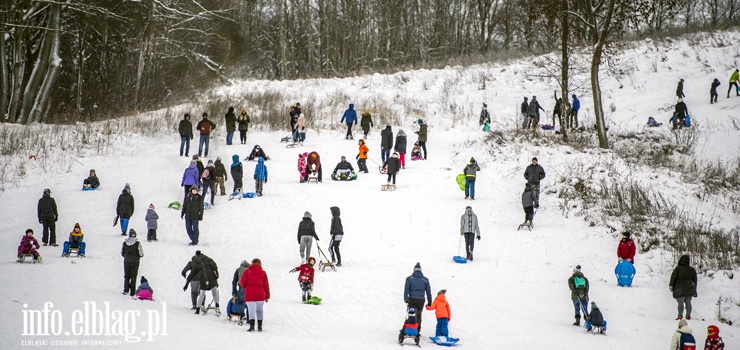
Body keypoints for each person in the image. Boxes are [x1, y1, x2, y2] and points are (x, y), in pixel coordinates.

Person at [186, 250, 220, 316]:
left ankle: (198, 309)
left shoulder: (197, 263)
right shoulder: (208, 259)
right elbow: (214, 265)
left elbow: (192, 273)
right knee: (214, 292)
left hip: (203, 279)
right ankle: (217, 306)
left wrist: (187, 282)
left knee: (202, 293)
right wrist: (216, 273)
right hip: (212, 277)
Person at [240, 258, 270, 332]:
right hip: (260, 294)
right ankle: (259, 327)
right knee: (259, 310)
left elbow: (242, 282)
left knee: (251, 310)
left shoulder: (247, 272)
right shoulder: (263, 273)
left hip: (250, 294)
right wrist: (267, 296)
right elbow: (266, 285)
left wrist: (246, 288)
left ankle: (252, 327)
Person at [404, 263, 432, 334]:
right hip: (421, 300)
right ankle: (417, 330)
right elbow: (428, 291)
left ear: (414, 270)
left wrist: (406, 298)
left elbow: (406, 289)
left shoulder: (409, 279)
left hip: (412, 299)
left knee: (412, 313)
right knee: (419, 314)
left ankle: (410, 328)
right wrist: (429, 302)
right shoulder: (425, 280)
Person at [670, 254, 698, 320]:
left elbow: (673, 277)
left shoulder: (678, 268)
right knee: (688, 302)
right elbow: (695, 280)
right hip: (690, 287)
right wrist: (695, 290)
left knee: (680, 302)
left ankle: (680, 316)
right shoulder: (692, 269)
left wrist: (671, 285)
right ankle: (688, 316)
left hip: (679, 287)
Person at [121, 229, 144, 297]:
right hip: (135, 261)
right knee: (133, 276)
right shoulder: (137, 243)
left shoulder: (125, 243)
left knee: (127, 276)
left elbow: (122, 253)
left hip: (127, 261)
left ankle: (126, 290)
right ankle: (132, 292)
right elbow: (141, 254)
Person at [231, 260, 250, 325]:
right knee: (249, 304)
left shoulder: (239, 269)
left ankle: (242, 315)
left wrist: (234, 292)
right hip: (250, 287)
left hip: (242, 286)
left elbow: (234, 281)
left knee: (240, 302)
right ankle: (249, 319)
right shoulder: (251, 269)